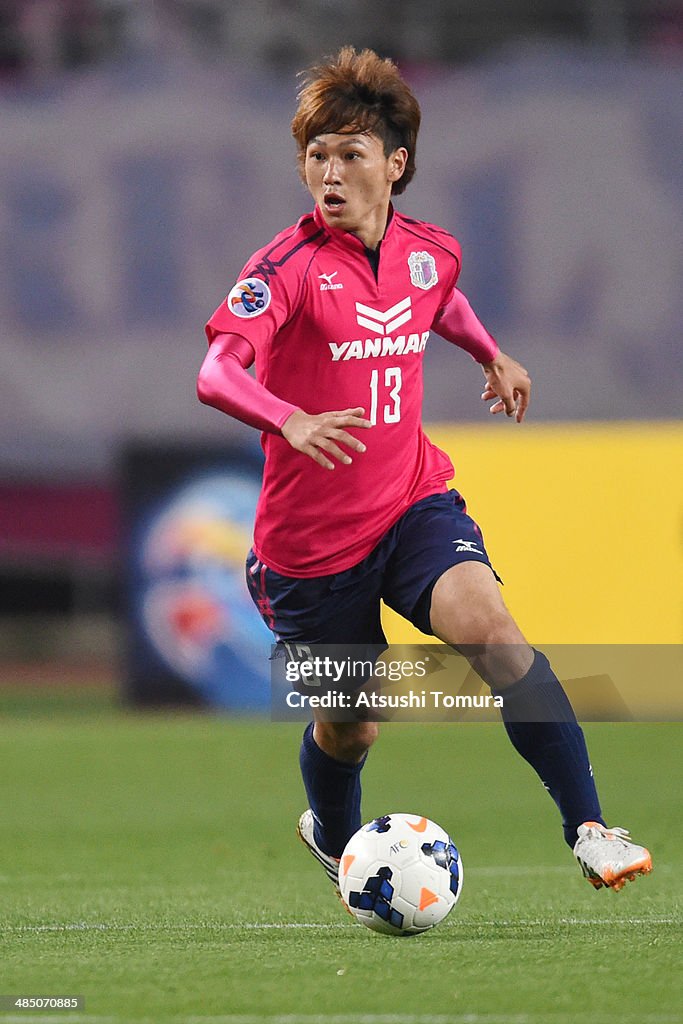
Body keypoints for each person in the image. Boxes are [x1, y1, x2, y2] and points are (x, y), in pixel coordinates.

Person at [197, 46, 651, 894]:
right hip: (308, 547)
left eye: (348, 153)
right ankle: (331, 834)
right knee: (353, 726)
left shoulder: (428, 250)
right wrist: (287, 417)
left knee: (495, 633)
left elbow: (437, 300)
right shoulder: (283, 271)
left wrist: (491, 353)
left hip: (410, 503)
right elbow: (217, 372)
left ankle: (590, 827)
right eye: (315, 154)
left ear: (394, 165)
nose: (327, 172)